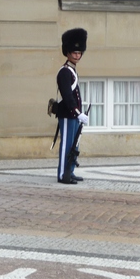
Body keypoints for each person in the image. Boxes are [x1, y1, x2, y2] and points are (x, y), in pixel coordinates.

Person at [56, 28, 89, 185]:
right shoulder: (64, 72)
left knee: (74, 144)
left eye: (79, 52)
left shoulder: (72, 71)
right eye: (74, 52)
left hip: (74, 115)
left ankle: (70, 171)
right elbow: (67, 96)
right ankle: (63, 174)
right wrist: (77, 112)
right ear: (67, 52)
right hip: (68, 115)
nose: (77, 55)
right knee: (66, 145)